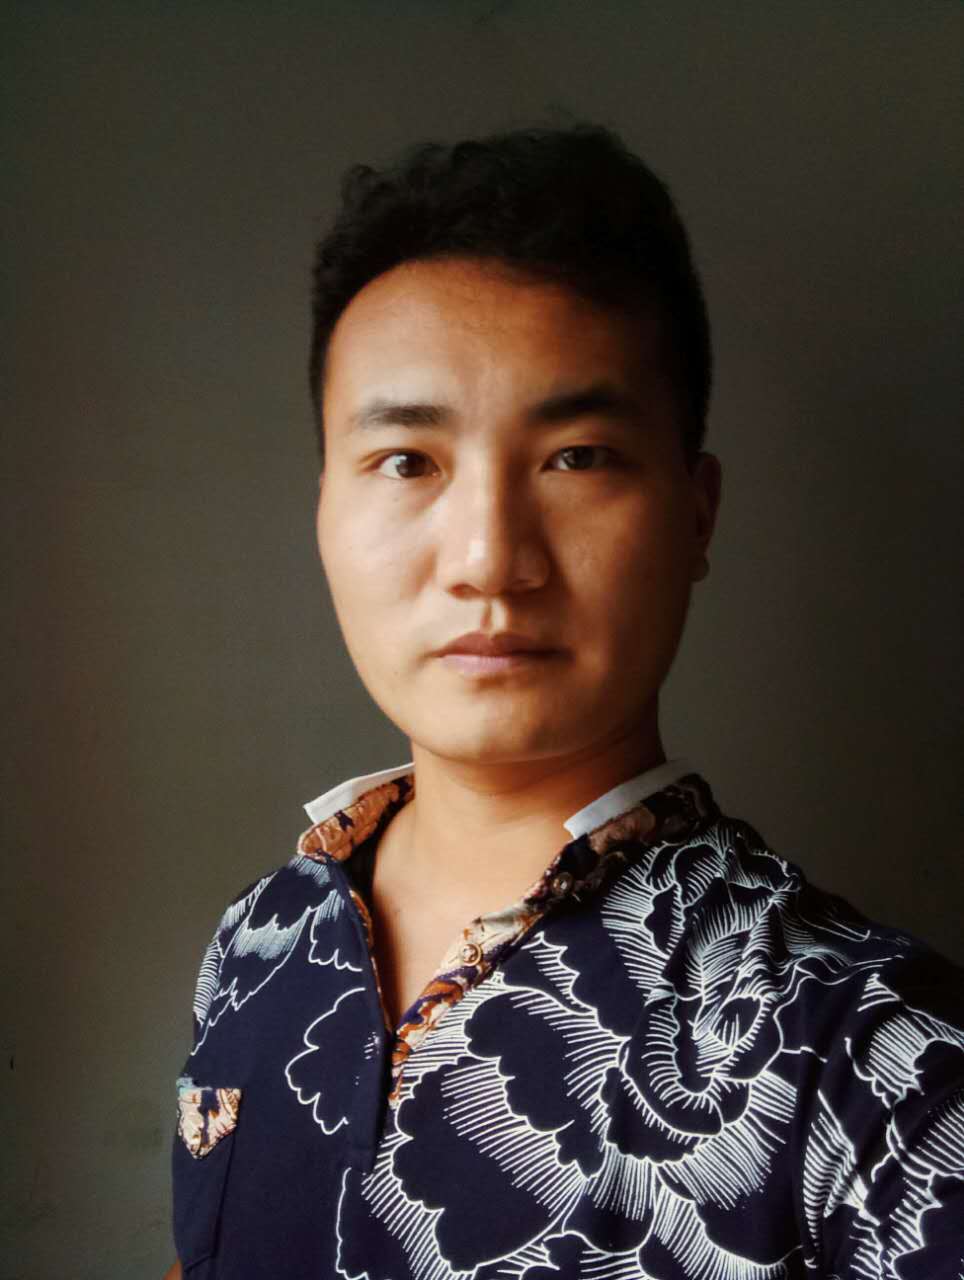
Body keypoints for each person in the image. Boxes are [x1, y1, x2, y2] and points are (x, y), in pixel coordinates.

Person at [165, 121, 964, 1279]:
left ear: (695, 514)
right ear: (324, 505)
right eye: (408, 461)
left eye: (576, 456)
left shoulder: (879, 1054)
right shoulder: (259, 936)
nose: (489, 558)